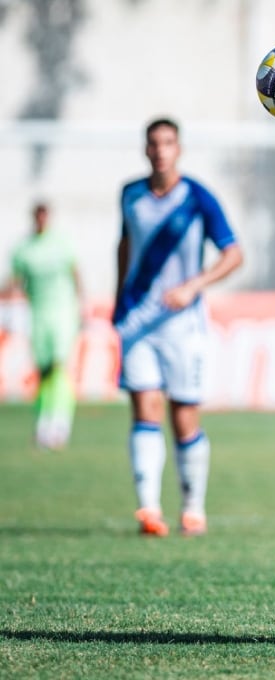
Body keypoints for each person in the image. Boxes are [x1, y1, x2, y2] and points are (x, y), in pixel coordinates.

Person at [114, 118, 244, 537]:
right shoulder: (130, 194)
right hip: (137, 321)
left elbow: (233, 254)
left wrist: (195, 286)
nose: (160, 150)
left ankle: (192, 508)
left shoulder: (197, 197)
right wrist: (119, 300)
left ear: (178, 149)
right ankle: (149, 510)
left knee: (184, 415)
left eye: (168, 142)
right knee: (144, 410)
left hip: (181, 324)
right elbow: (125, 246)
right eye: (153, 143)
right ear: (145, 149)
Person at [2, 202, 85, 450]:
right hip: (38, 313)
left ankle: (60, 423)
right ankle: (43, 422)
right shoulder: (24, 249)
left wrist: (82, 305)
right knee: (44, 370)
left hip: (63, 312)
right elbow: (15, 280)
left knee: (60, 366)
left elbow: (75, 273)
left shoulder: (62, 243)